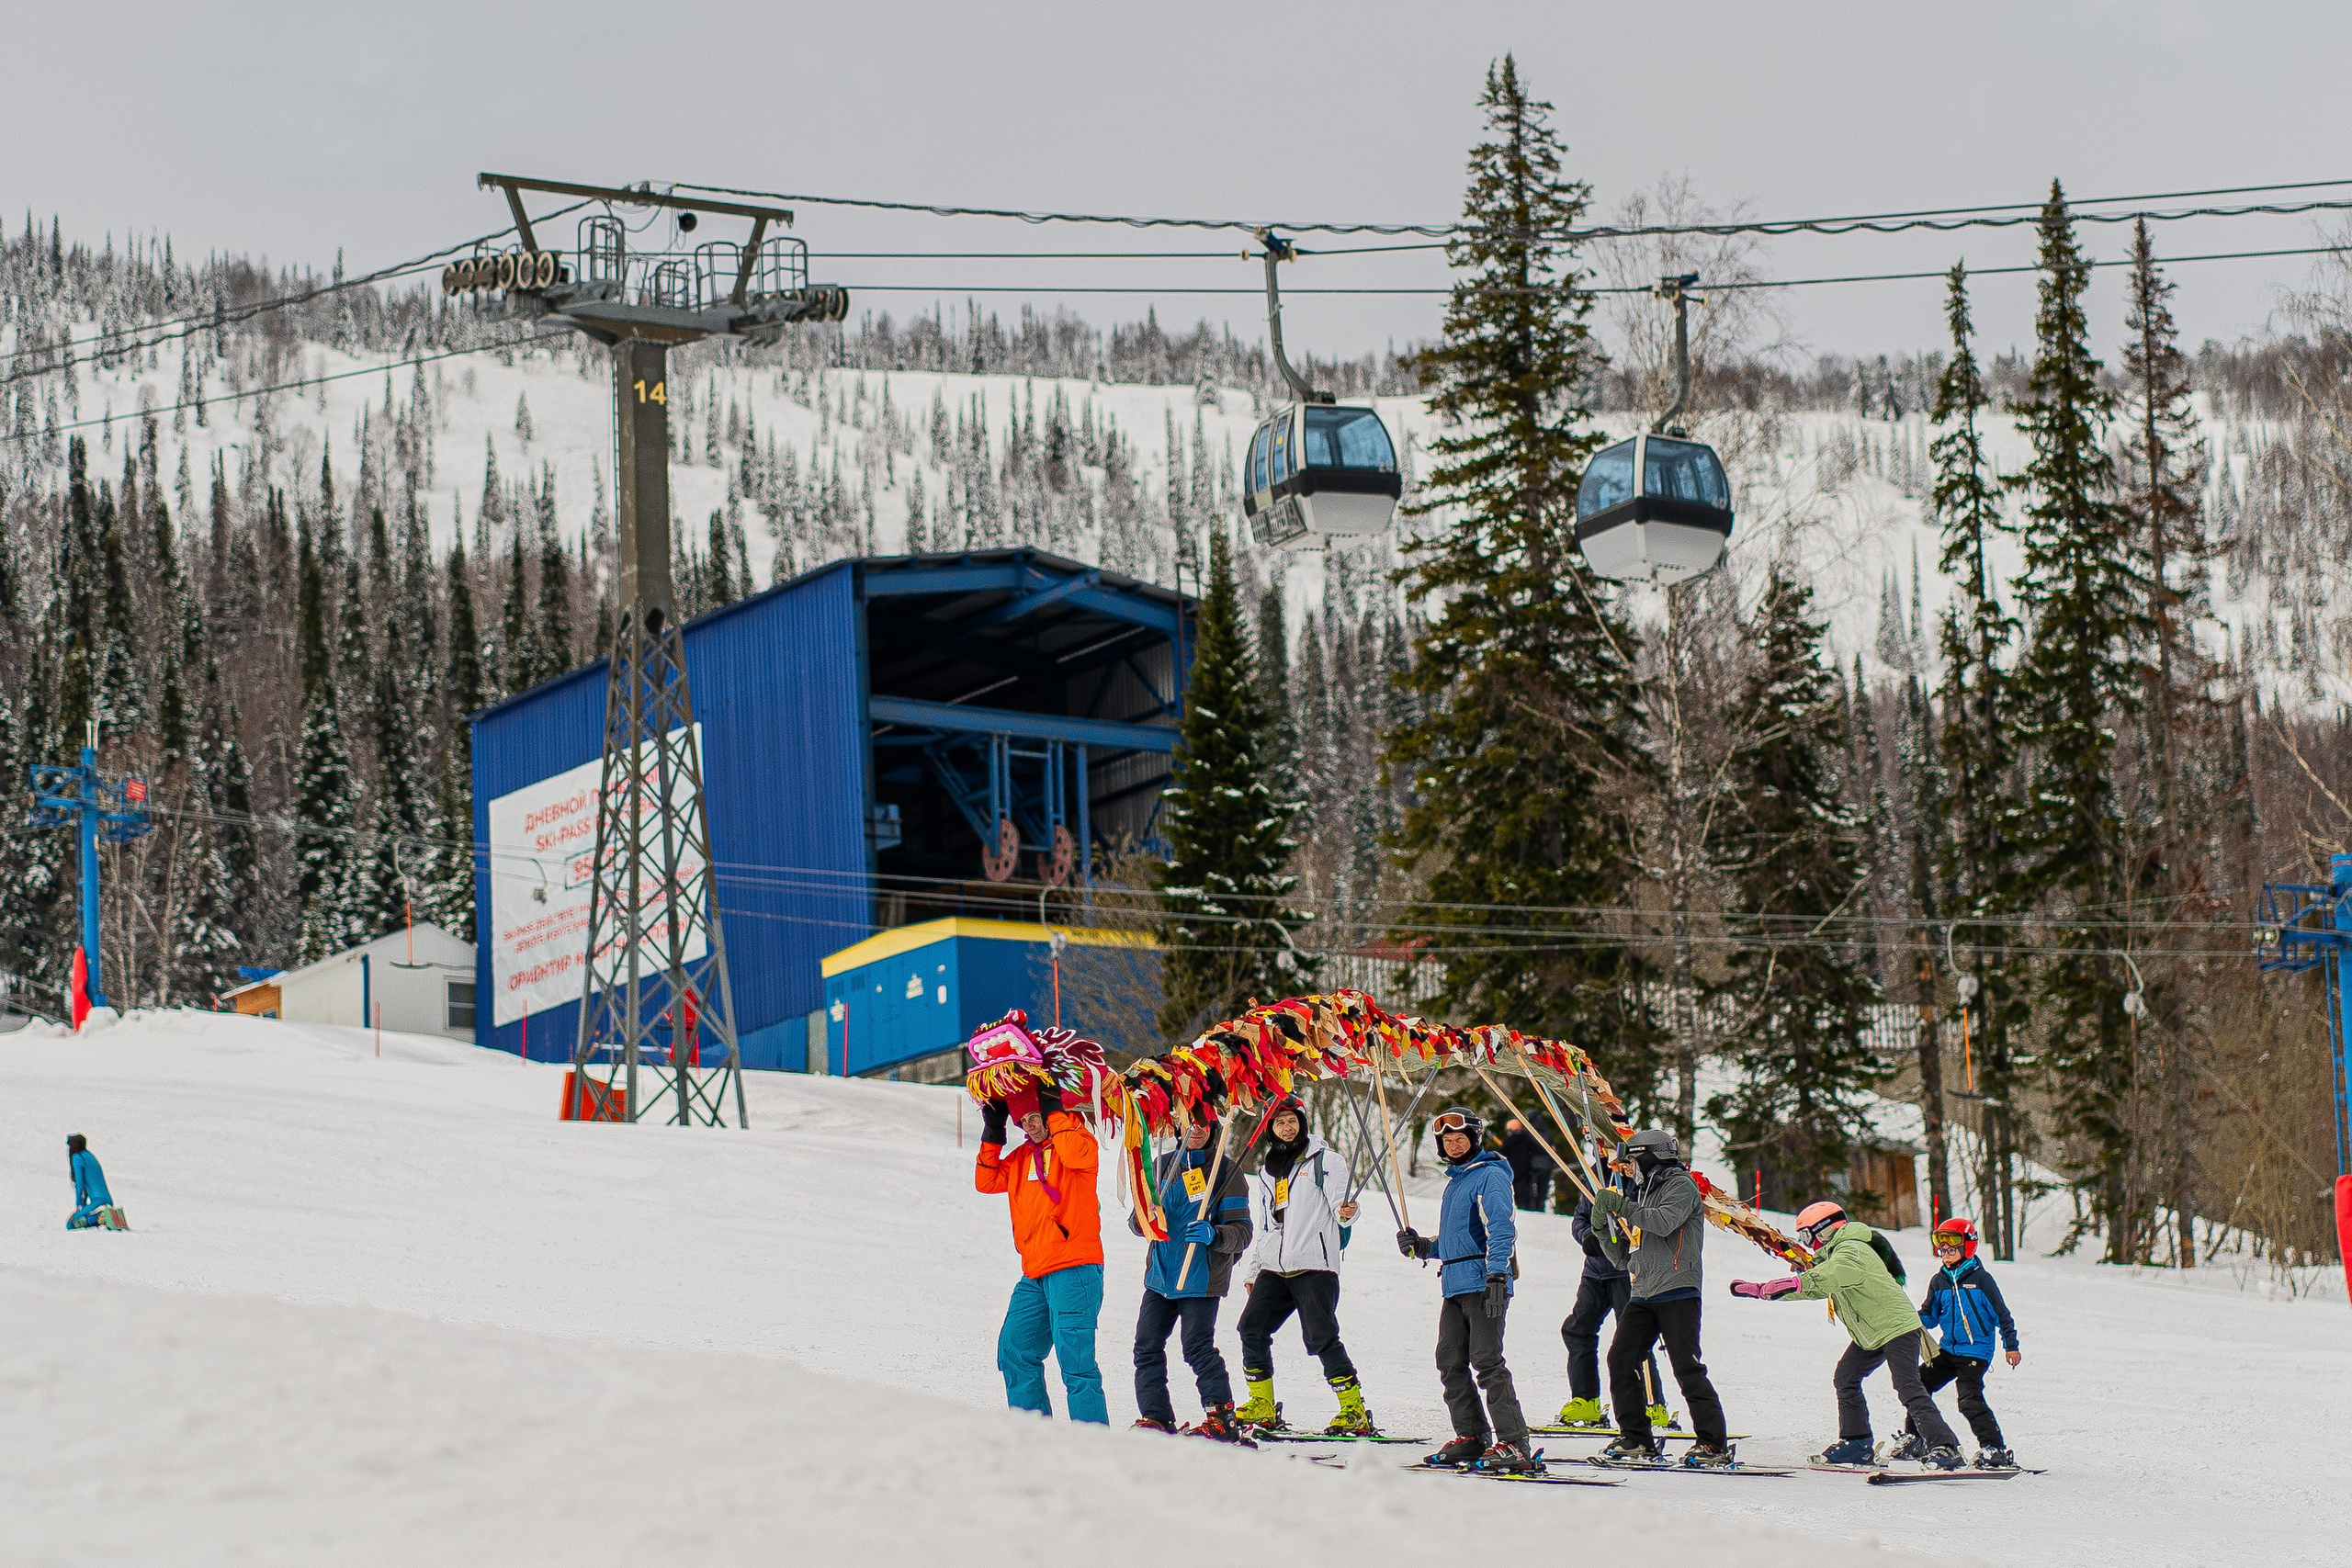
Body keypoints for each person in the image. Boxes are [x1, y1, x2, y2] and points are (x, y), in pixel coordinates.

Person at [1728, 1200, 1963, 1471]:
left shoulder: (1852, 1250)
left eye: (1807, 1235)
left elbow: (1832, 1275)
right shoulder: (1834, 1255)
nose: (1807, 1243)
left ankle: (1945, 1446)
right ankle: (1856, 1442)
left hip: (1897, 1327)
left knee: (1907, 1387)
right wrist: (1767, 1291)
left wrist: (1792, 1282)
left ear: (1825, 1229)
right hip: (1873, 1332)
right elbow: (1817, 1286)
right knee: (1846, 1377)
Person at [1396, 1107, 1539, 1474]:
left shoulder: (1489, 1176)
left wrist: (1497, 1277)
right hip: (1455, 1284)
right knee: (1449, 1361)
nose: (1454, 1144)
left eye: (1460, 1138)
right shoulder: (1457, 1181)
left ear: (1474, 1139)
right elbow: (1460, 1240)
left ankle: (1514, 1442)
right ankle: (1472, 1436)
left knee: (1487, 1360)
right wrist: (1425, 1247)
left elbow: (1501, 1230)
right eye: (1447, 1140)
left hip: (1484, 1282)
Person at [1233, 1094, 1376, 1436]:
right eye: (1280, 1122)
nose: (1287, 1127)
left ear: (1303, 1122)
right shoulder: (1268, 1170)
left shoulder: (1325, 1160)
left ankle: (1353, 1408)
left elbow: (1344, 1207)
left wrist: (1348, 1214)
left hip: (1315, 1264)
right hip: (1276, 1267)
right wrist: (1256, 1269)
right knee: (1251, 1328)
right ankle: (1262, 1403)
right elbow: (1269, 1225)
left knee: (1321, 1335)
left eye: (1292, 1120)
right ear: (1270, 1128)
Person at [1589, 1130, 1734, 1467]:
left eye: (1634, 1160)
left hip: (1678, 1290)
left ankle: (1713, 1443)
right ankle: (1637, 1439)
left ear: (1650, 1156)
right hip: (1643, 1292)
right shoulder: (1642, 1191)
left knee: (1686, 1366)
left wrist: (1623, 1206)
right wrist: (1602, 1231)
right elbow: (1626, 1258)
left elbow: (1664, 1222)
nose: (1631, 1168)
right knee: (1620, 1360)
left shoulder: (1680, 1186)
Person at [976, 1080, 1108, 1424]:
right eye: (1023, 1121)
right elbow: (986, 1181)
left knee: (1076, 1363)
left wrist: (1055, 1111)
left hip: (1074, 1268)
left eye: (1035, 1117)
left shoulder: (1077, 1142)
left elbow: (1074, 1154)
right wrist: (993, 1132)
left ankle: (1094, 1447)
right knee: (1014, 1350)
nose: (1029, 1126)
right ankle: (1034, 1440)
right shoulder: (1021, 1158)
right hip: (1035, 1273)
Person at [1128, 1111, 1252, 1439]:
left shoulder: (1227, 1171)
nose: (1195, 1128)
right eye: (1189, 1121)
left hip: (1200, 1276)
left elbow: (1243, 1231)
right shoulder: (1161, 1165)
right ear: (1178, 1124)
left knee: (1196, 1346)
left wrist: (1216, 1234)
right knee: (1146, 1346)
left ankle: (1222, 1419)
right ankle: (1155, 1416)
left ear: (1213, 1127)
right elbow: (1134, 1221)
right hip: (1162, 1275)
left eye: (1203, 1123)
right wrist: (1146, 1220)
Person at [1556, 1144, 1668, 1431]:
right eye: (1600, 1147)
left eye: (1609, 1146)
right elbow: (1581, 1217)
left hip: (1627, 1270)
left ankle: (1651, 1403)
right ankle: (1585, 1400)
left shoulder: (1637, 1176)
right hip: (1595, 1271)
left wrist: (1622, 1235)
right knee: (1577, 1329)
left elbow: (1648, 1217)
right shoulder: (1594, 1176)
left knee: (1633, 1338)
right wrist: (1587, 1237)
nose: (1605, 1152)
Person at [1896, 1217, 2020, 1469]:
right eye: (1942, 1250)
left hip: (1975, 1352)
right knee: (1918, 1385)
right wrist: (1909, 1316)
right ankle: (1915, 1438)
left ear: (1968, 1247)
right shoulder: (1939, 1281)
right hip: (1949, 1350)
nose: (1946, 1255)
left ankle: (1993, 1448)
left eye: (1952, 1249)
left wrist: (2011, 1345)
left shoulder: (1981, 1280)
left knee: (1968, 1399)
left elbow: (2002, 1315)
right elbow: (1930, 1317)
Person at [66, 1134, 122, 1231]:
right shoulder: (89, 1156)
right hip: (107, 1201)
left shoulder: (77, 1158)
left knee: (71, 1224)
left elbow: (80, 1185)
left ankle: (102, 1217)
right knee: (84, 1214)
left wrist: (79, 1206)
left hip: (97, 1202)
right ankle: (108, 1215)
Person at [1498, 1118, 1553, 1212]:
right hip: (1524, 1170)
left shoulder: (1508, 1140)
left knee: (1515, 1193)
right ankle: (1527, 1208)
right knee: (1525, 1193)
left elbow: (1502, 1153)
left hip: (1512, 1170)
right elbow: (1536, 1149)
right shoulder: (1526, 1138)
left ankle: (1521, 1209)